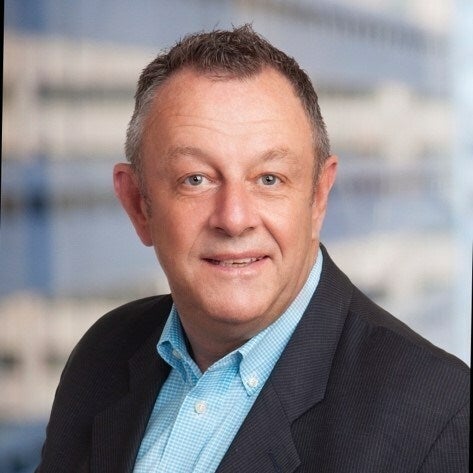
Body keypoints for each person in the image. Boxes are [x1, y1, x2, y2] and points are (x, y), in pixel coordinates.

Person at [37, 25, 469, 473]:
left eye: (269, 179)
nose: (235, 217)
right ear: (137, 204)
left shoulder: (438, 419)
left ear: (318, 197)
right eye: (196, 179)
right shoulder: (103, 354)